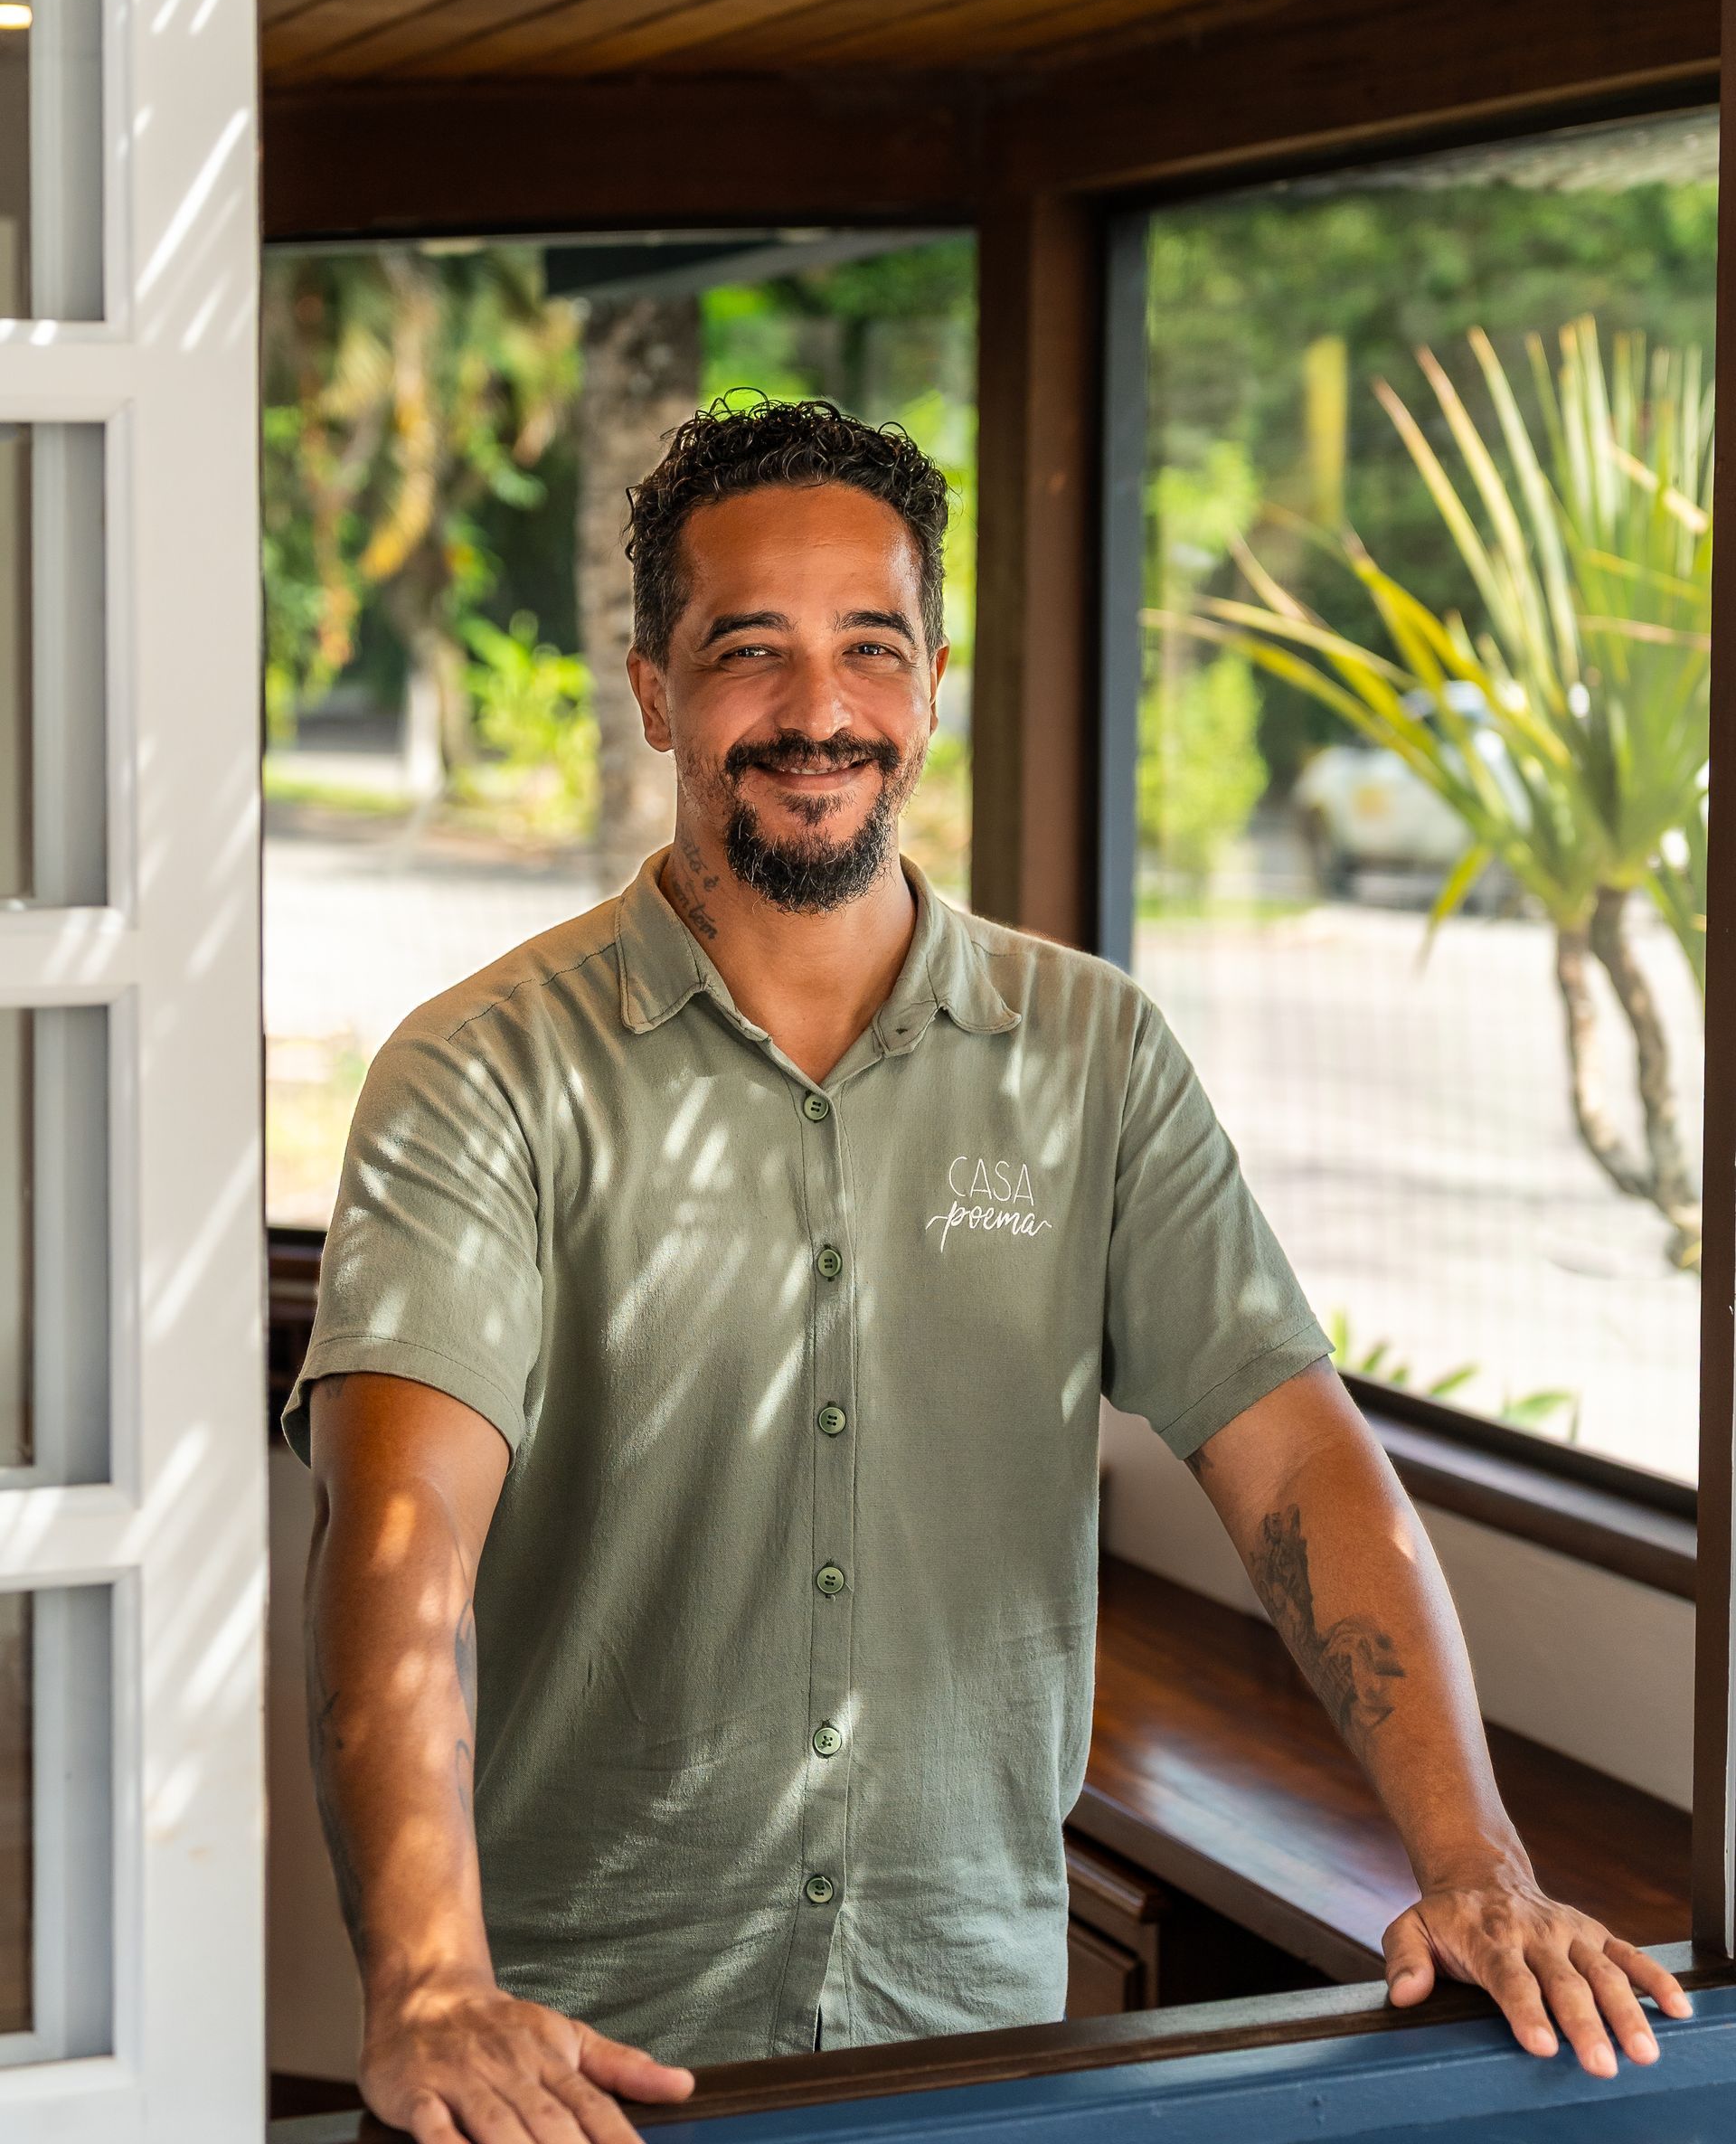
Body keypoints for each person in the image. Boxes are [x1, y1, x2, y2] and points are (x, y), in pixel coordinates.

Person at [283, 396, 1690, 2144]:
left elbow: (1305, 1469)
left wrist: (1478, 1866)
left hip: (974, 2044)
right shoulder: (481, 1073)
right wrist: (426, 1982)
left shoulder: (1095, 1054)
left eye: (872, 649)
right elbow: (394, 1547)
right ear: (654, 688)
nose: (820, 714)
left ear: (934, 681)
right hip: (579, 2073)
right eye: (749, 654)